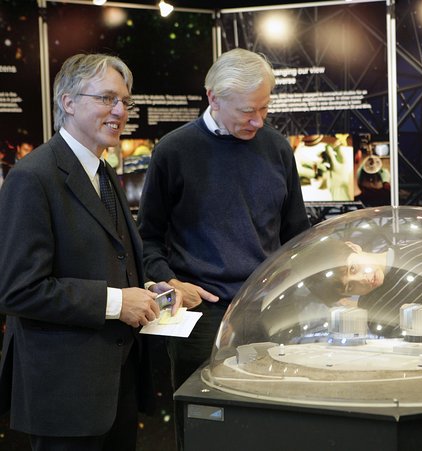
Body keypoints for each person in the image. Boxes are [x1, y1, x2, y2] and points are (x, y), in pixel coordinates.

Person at [0, 53, 181, 451]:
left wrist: (154, 290)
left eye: (125, 101)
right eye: (107, 99)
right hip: (65, 394)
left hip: (115, 387)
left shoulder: (102, 172)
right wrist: (117, 302)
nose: (120, 111)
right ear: (67, 102)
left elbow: (110, 258)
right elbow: (18, 290)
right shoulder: (32, 178)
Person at [137, 48, 310, 449]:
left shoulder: (277, 148)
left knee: (271, 423)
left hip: (268, 311)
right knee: (205, 427)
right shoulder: (174, 151)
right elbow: (147, 237)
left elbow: (295, 233)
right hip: (200, 316)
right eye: (248, 111)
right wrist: (170, 281)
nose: (258, 121)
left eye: (265, 109)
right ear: (213, 97)